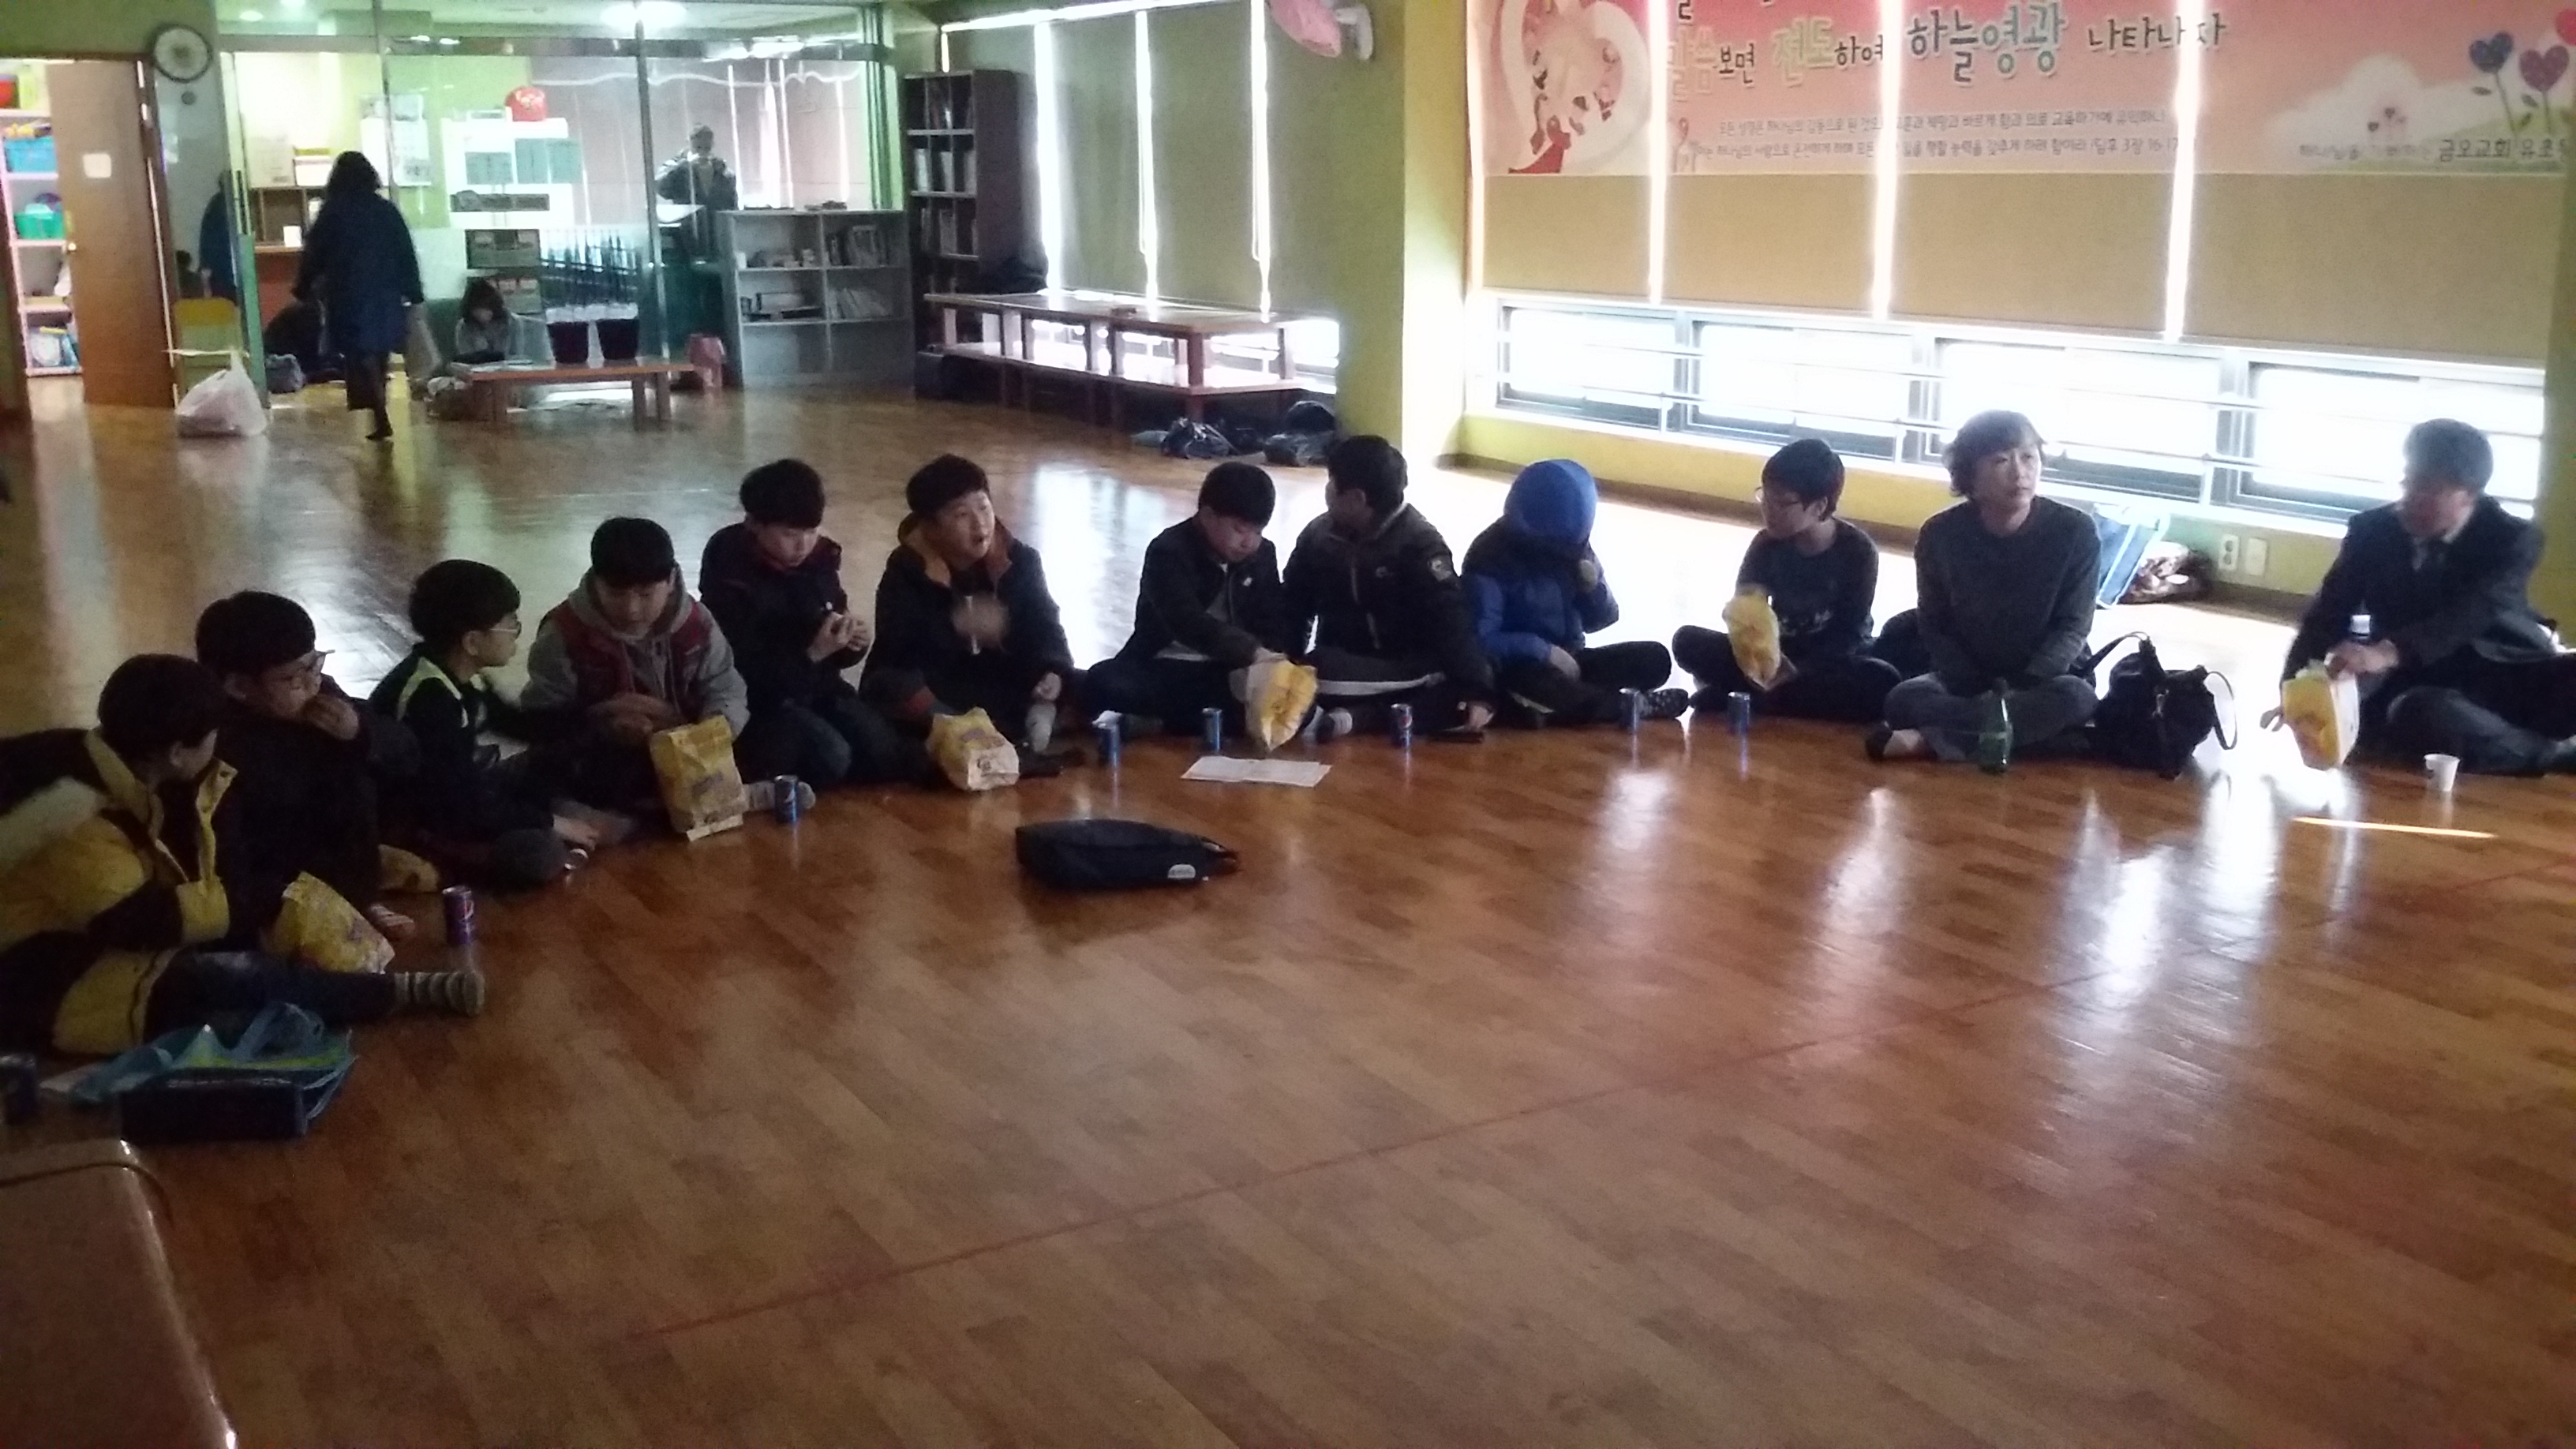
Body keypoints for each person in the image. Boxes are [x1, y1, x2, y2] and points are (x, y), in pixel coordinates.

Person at [0, 656, 483, 1058]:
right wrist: (250, 900)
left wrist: (254, 899)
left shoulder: (123, 766)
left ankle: (349, 994)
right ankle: (400, 992)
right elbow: (133, 920)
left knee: (239, 964)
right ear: (176, 752)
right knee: (223, 982)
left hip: (83, 936)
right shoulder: (74, 812)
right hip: (37, 971)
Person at [2277, 418, 2576, 774]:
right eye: (2409, 483)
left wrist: (2386, 652)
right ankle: (2552, 753)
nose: (2410, 500)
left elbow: (2469, 614)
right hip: (2417, 685)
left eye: (2428, 489)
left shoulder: (2511, 539)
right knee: (2420, 713)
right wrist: (2296, 692)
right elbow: (2326, 615)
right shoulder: (2372, 531)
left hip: (2508, 673)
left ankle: (2504, 740)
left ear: (2469, 494)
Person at [1871, 410, 2102, 762]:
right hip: (1968, 679)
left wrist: (2021, 686)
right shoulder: (1939, 534)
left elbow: (2073, 626)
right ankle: (2028, 739)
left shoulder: (2076, 532)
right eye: (2001, 461)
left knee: (2076, 698)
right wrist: (1971, 684)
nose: (2019, 473)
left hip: (2045, 680)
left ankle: (1932, 741)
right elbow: (1934, 622)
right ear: (1970, 474)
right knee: (1903, 699)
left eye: (2029, 457)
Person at [197, 591, 424, 941]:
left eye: (316, 663)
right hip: (270, 871)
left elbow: (406, 751)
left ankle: (357, 901)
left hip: (344, 859)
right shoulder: (216, 736)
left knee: (358, 780)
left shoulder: (322, 695)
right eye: (293, 677)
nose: (313, 681)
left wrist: (359, 732)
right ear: (239, 687)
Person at [522, 517, 771, 818]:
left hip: (687, 742)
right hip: (603, 754)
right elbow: (542, 715)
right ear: (596, 581)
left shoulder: (697, 623)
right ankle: (727, 799)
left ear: (671, 581)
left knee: (777, 739)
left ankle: (697, 800)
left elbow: (724, 683)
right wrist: (603, 718)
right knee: (577, 775)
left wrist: (709, 731)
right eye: (616, 594)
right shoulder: (564, 632)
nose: (632, 609)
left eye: (646, 594)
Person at [369, 561, 594, 890]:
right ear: (473, 642)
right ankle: (445, 862)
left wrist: (597, 717)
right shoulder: (430, 699)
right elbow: (456, 803)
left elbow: (514, 723)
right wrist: (552, 822)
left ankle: (550, 820)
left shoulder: (461, 673)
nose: (516, 632)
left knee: (551, 761)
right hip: (424, 817)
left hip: (463, 787)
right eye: (510, 624)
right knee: (540, 854)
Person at [700, 460, 927, 788]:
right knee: (832, 758)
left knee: (885, 753)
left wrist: (852, 642)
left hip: (820, 688)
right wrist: (813, 654)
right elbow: (743, 671)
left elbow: (836, 639)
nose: (803, 545)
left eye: (811, 531)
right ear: (753, 524)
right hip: (765, 704)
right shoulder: (731, 574)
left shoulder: (819, 561)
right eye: (789, 534)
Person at [1672, 439, 1902, 722]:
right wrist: (1760, 658)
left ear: (1819, 507)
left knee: (1881, 679)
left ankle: (1746, 698)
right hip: (1776, 653)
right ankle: (1769, 698)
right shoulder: (1765, 545)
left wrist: (1799, 669)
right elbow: (1746, 615)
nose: (1768, 510)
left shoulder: (1857, 550)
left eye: (1782, 503)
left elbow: (1849, 632)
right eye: (1765, 497)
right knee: (1687, 641)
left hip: (1830, 660)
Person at [1282, 436, 1496, 738]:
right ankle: (1361, 716)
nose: (1327, 490)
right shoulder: (1319, 537)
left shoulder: (1419, 545)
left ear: (1356, 498)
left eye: (1331, 482)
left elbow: (1451, 618)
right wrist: (1281, 661)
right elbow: (1293, 605)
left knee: (1322, 675)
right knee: (1305, 673)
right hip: (1347, 663)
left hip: (1403, 665)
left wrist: (1477, 689)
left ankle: (1360, 717)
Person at [862, 455, 1076, 747]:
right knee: (892, 687)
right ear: (931, 528)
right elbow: (899, 652)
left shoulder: (1019, 560)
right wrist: (955, 625)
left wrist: (1053, 670)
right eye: (962, 515)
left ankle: (989, 730)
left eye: (984, 508)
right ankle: (980, 731)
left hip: (998, 678)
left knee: (1083, 682)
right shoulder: (907, 569)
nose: (980, 524)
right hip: (941, 684)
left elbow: (1045, 624)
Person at [1462, 458, 1684, 727]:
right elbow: (1480, 639)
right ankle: (1622, 706)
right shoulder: (1489, 558)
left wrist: (1593, 588)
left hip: (1573, 659)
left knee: (1654, 659)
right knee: (1539, 687)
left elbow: (1601, 620)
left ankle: (1584, 703)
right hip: (1519, 666)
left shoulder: (1573, 545)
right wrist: (1544, 651)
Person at [1086, 462, 1297, 732]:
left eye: (1258, 532)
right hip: (1165, 666)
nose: (1249, 543)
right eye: (1240, 529)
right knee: (1104, 681)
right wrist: (1252, 652)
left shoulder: (1262, 555)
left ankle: (1165, 721)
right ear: (1207, 516)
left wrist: (1274, 665)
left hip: (1231, 670)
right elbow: (1187, 621)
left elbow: (1271, 618)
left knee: (1293, 699)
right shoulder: (1168, 551)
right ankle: (1202, 720)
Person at [294, 151, 423, 442]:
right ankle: (379, 408)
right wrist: (413, 290)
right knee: (379, 352)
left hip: (348, 291)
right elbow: (405, 251)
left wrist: (303, 287)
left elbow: (313, 253)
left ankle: (378, 411)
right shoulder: (385, 210)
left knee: (359, 352)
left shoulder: (332, 212)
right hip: (385, 292)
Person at [451, 278, 527, 367]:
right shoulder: (464, 327)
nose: (481, 315)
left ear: (494, 307)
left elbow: (518, 356)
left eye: (486, 309)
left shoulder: (513, 322)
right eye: (477, 311)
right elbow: (466, 359)